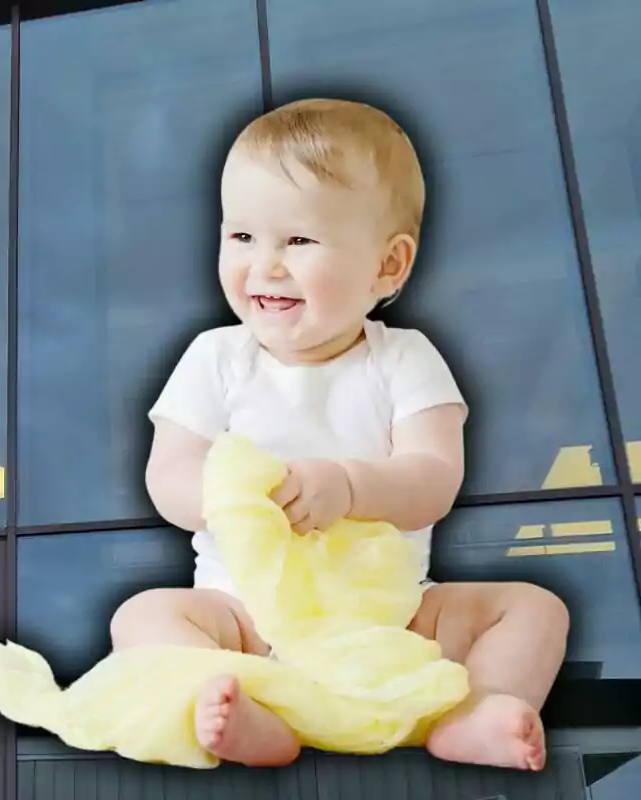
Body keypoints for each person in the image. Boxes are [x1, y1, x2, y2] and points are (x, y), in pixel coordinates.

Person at [110, 98, 569, 772]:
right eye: (241, 237)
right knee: (143, 617)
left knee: (534, 610)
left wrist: (348, 486)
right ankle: (252, 717)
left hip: (393, 621)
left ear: (388, 266)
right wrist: (234, 505)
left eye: (297, 241)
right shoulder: (216, 357)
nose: (265, 265)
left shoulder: (403, 358)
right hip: (245, 620)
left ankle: (478, 710)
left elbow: (434, 477)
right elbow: (169, 473)